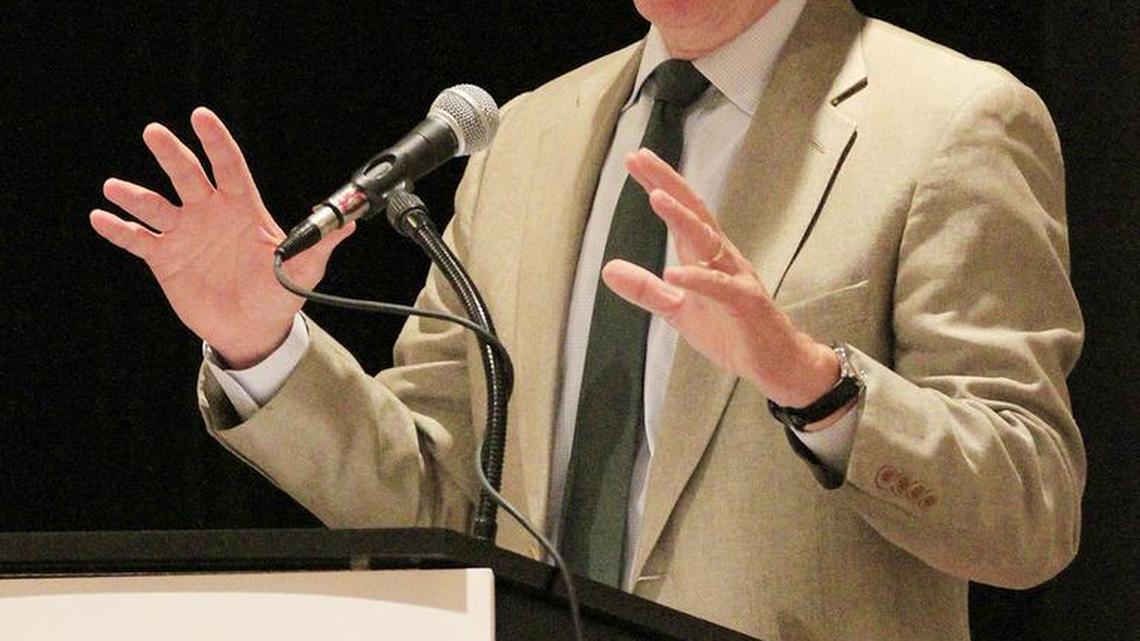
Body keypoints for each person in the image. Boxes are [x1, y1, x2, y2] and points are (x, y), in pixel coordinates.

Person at [89, 0, 1085, 639]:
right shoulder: (526, 135)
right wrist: (265, 343)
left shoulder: (955, 120)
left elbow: (1030, 511)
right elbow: (442, 495)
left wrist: (818, 386)